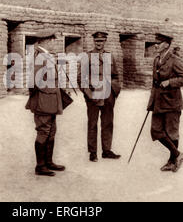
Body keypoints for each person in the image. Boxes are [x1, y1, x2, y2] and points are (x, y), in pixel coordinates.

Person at [25, 46, 72, 176]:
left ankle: (48, 162)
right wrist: (45, 93)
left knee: (51, 132)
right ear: (45, 41)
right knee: (43, 131)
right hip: (43, 102)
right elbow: (32, 82)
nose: (53, 42)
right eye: (51, 39)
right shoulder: (40, 57)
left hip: (50, 101)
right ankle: (40, 166)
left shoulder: (47, 56)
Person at [147, 33, 183, 172]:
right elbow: (154, 82)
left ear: (166, 45)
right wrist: (151, 102)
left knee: (172, 133)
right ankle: (178, 155)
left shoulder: (175, 60)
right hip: (159, 102)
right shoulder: (156, 59)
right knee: (156, 131)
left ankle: (172, 162)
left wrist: (169, 82)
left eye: (158, 43)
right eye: (155, 43)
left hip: (172, 102)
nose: (155, 45)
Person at [79, 31, 122, 162]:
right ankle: (93, 152)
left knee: (108, 123)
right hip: (93, 95)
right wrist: (89, 94)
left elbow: (115, 75)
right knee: (92, 123)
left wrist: (114, 90)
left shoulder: (110, 56)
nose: (99, 43)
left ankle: (106, 150)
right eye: (97, 41)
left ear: (105, 42)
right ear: (94, 42)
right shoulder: (87, 56)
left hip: (108, 95)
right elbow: (81, 78)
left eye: (101, 41)